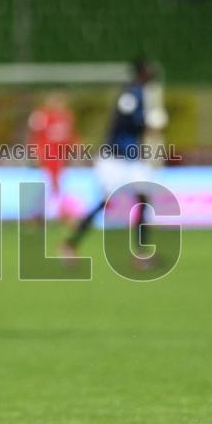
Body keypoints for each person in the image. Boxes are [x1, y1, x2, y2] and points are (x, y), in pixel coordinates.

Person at [61, 59, 166, 268]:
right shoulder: (130, 94)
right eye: (148, 71)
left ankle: (141, 253)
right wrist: (147, 124)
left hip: (132, 158)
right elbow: (125, 122)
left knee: (143, 199)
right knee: (106, 202)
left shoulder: (140, 93)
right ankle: (70, 244)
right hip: (114, 158)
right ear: (141, 73)